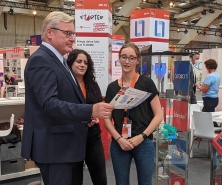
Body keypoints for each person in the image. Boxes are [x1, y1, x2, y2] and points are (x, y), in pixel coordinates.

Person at [21, 11, 113, 185]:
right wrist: (90, 109)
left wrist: (85, 118)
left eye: (73, 34)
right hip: (55, 149)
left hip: (64, 147)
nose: (72, 38)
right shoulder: (41, 60)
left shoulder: (58, 61)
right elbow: (49, 104)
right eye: (67, 33)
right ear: (50, 33)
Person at [104, 43, 162, 185]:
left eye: (131, 58)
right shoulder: (112, 87)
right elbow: (106, 119)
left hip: (143, 142)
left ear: (137, 60)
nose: (127, 61)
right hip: (119, 144)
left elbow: (158, 115)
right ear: (119, 59)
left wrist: (142, 137)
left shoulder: (146, 83)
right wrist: (119, 139)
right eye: (124, 57)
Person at [67, 49, 107, 185]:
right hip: (72, 138)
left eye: (85, 62)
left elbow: (98, 106)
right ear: (71, 63)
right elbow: (64, 110)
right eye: (79, 61)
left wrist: (96, 117)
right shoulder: (65, 86)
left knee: (101, 179)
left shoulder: (92, 85)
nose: (82, 65)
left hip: (93, 137)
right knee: (75, 180)